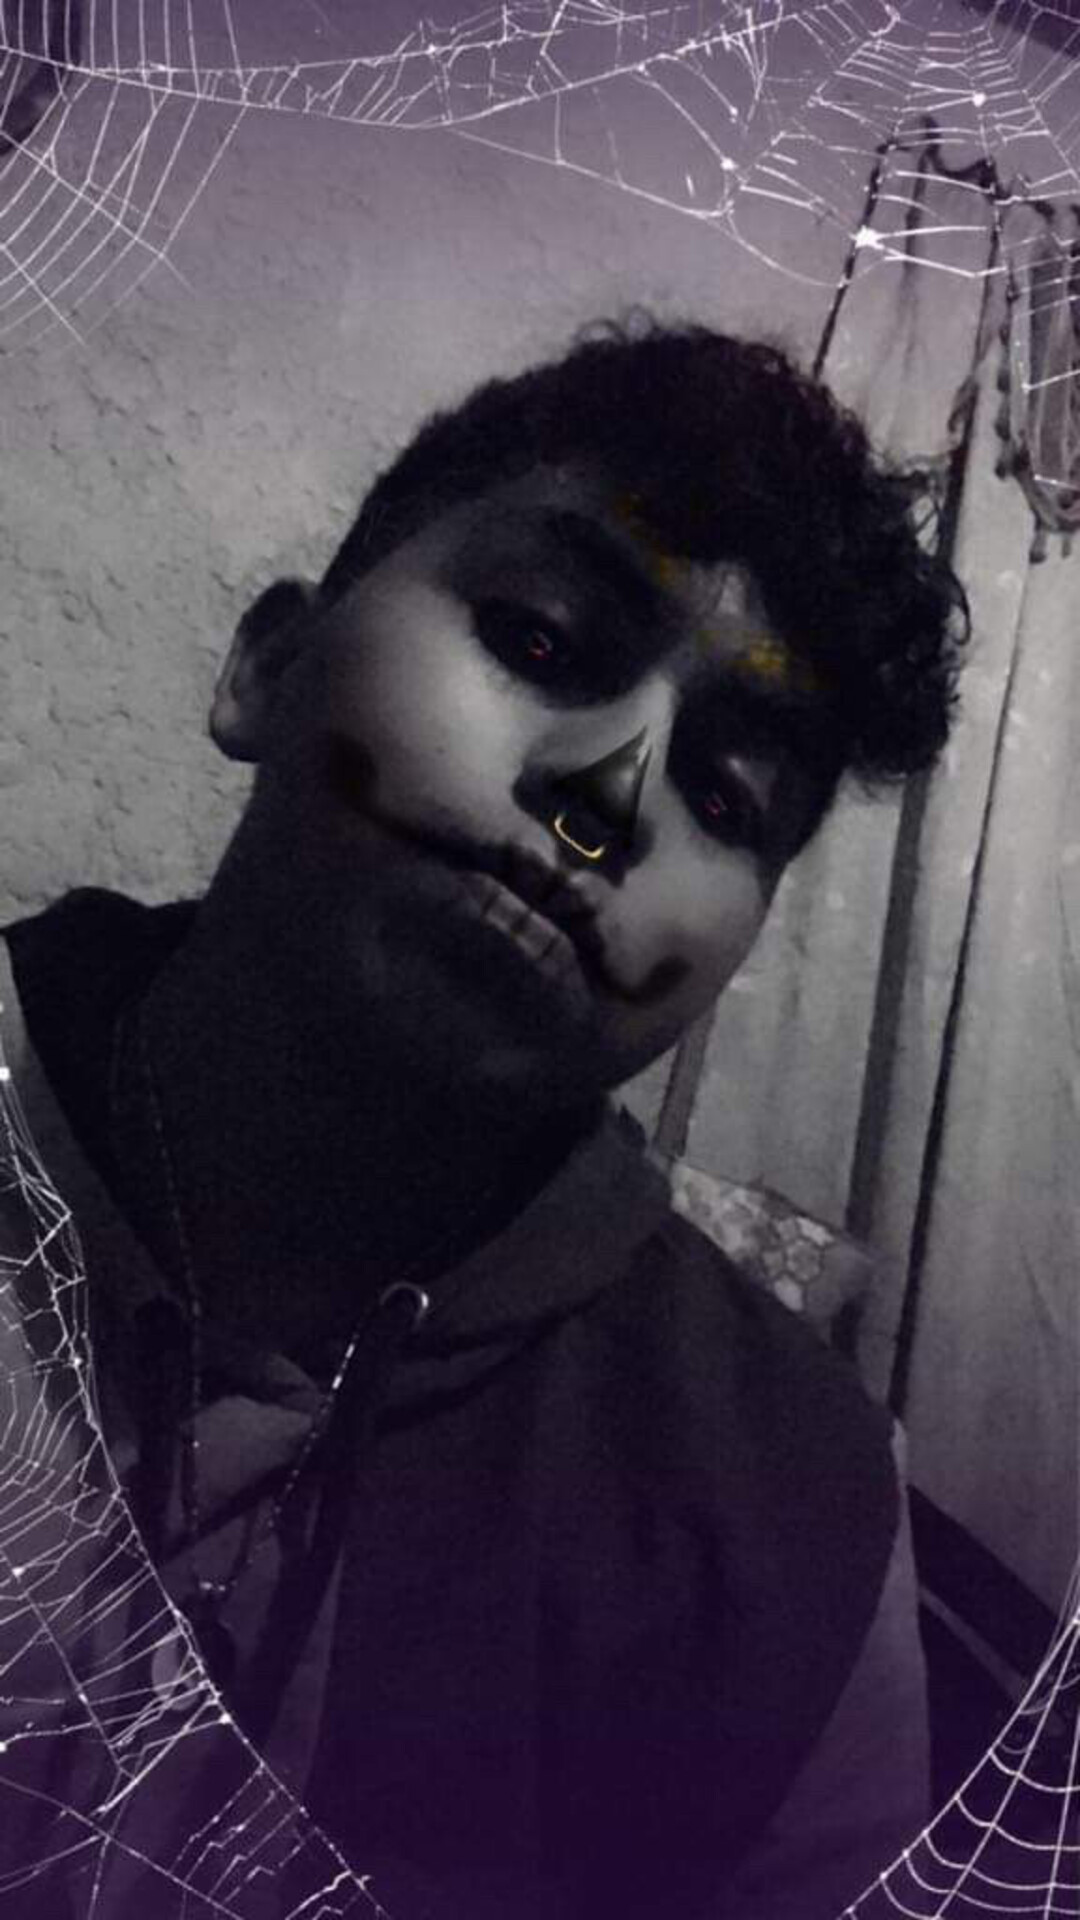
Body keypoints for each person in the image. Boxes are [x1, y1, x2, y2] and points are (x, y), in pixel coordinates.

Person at [0, 318, 967, 1919]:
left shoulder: (794, 1516)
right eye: (538, 635)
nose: (610, 800)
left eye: (726, 798)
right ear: (263, 669)